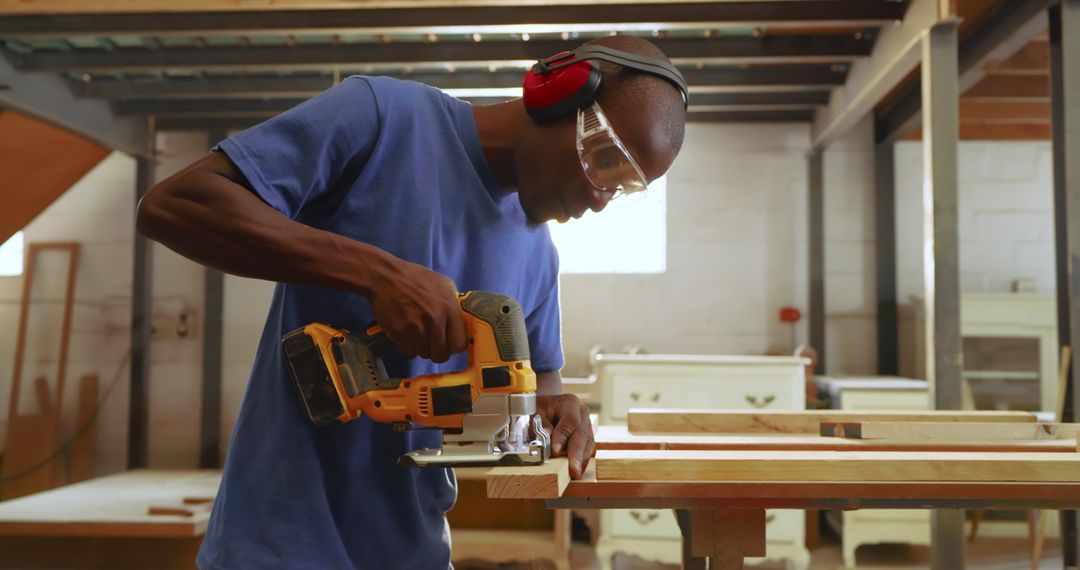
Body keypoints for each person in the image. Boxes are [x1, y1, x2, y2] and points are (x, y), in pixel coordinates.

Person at [137, 34, 687, 570]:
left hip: (417, 550)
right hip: (278, 545)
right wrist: (376, 274)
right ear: (557, 93)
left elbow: (535, 390)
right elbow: (175, 205)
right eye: (604, 160)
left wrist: (552, 414)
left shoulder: (538, 256)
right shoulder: (382, 119)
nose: (599, 198)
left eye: (623, 188)